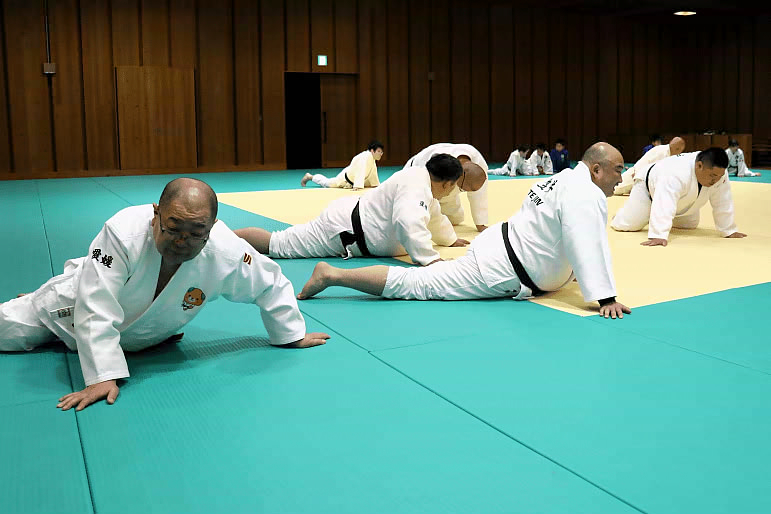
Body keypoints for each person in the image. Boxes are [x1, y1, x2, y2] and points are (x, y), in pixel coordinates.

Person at [0, 178, 328, 412]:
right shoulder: (123, 231)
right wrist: (103, 375)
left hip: (137, 337)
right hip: (69, 310)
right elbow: (93, 301)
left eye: (196, 233)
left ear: (212, 226)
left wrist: (290, 333)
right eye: (173, 228)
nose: (182, 241)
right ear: (156, 213)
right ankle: (39, 298)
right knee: (8, 329)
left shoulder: (225, 249)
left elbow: (270, 282)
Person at [297, 142, 632, 319]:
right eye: (618, 169)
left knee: (421, 281)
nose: (622, 176)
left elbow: (561, 236)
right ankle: (333, 275)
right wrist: (605, 297)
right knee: (417, 284)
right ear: (596, 169)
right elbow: (585, 242)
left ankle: (334, 275)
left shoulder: (564, 179)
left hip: (499, 249)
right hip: (498, 268)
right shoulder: (584, 192)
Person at [237, 154, 468, 267]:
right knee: (278, 244)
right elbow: (408, 221)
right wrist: (429, 259)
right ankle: (221, 236)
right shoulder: (416, 184)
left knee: (279, 243)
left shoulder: (422, 183)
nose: (452, 191)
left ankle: (220, 236)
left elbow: (434, 218)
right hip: (343, 229)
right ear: (447, 183)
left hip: (350, 223)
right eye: (454, 187)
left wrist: (449, 239)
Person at [610, 148, 747, 246]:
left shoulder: (718, 173)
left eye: (719, 176)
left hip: (682, 198)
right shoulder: (675, 172)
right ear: (699, 165)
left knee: (688, 225)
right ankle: (622, 215)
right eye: (712, 176)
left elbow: (723, 201)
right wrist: (659, 234)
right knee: (626, 225)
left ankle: (659, 216)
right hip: (647, 189)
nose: (716, 180)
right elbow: (664, 202)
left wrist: (729, 230)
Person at [404, 143, 490, 232]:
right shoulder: (438, 163)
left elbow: (480, 195)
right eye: (462, 189)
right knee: (421, 219)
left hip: (448, 181)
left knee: (455, 219)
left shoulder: (479, 164)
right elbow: (428, 188)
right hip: (416, 176)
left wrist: (481, 223)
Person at [614, 136, 686, 195]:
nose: (679, 152)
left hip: (645, 180)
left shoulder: (670, 156)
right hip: (636, 174)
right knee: (616, 188)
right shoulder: (661, 151)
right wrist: (637, 174)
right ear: (677, 148)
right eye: (679, 150)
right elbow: (645, 161)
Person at [301, 140, 384, 190]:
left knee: (328, 182)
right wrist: (358, 186)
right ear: (372, 151)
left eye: (382, 152)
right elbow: (360, 171)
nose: (381, 154)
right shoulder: (365, 157)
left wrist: (375, 185)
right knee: (327, 183)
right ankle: (310, 177)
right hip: (344, 179)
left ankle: (311, 177)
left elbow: (373, 174)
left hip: (351, 180)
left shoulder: (371, 159)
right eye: (379, 151)